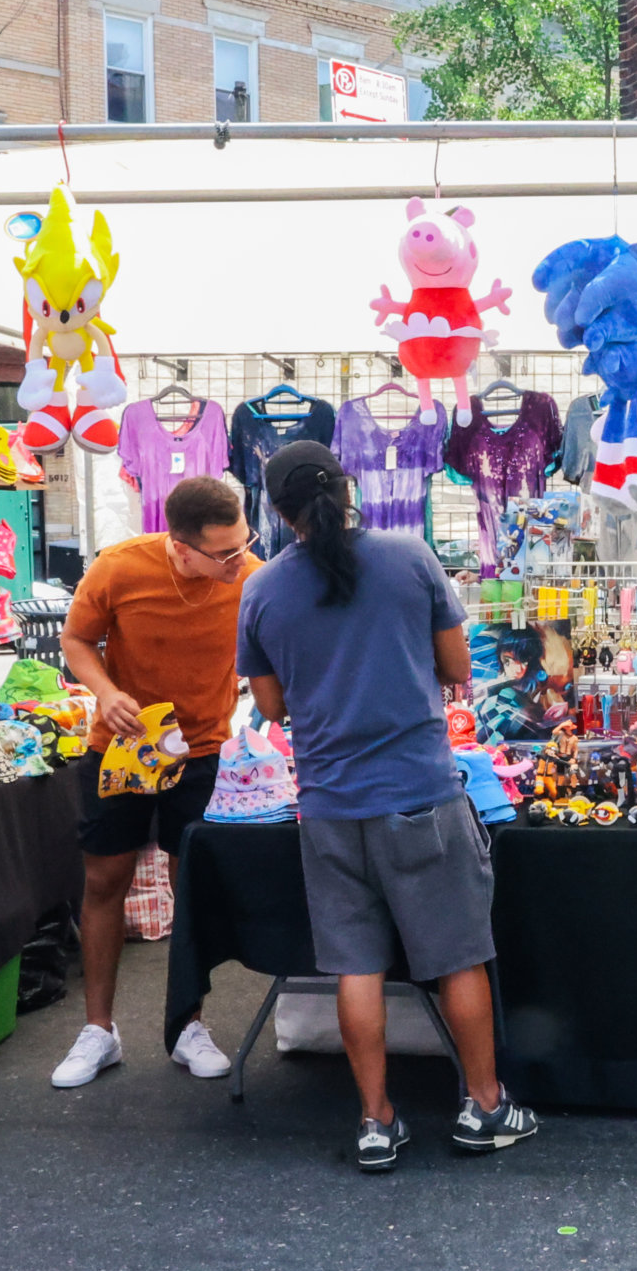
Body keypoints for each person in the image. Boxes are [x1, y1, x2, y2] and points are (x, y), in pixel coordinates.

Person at [237, 442, 537, 1172]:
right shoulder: (411, 557)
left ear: (275, 511)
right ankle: (485, 1106)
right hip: (421, 794)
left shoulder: (264, 589)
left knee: (356, 964)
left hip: (330, 803)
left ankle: (376, 1121)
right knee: (459, 953)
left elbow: (270, 705)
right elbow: (460, 668)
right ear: (347, 488)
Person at [52, 476, 261, 1088]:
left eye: (243, 544)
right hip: (120, 748)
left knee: (189, 883)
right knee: (105, 879)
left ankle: (188, 1025)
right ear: (179, 546)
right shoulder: (119, 567)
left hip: (202, 752)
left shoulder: (252, 575)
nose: (237, 560)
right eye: (222, 552)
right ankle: (99, 1029)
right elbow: (75, 639)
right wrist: (106, 690)